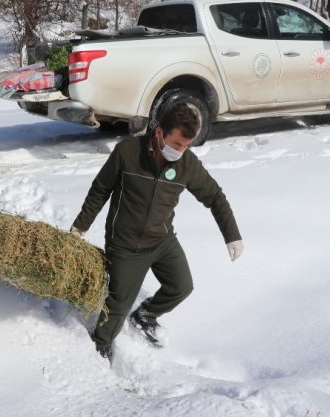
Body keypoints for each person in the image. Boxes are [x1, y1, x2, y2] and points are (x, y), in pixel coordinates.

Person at [71, 102, 243, 360]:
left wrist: (232, 235)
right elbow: (100, 189)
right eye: (176, 145)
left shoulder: (187, 164)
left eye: (186, 145)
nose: (181, 151)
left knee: (182, 287)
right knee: (117, 307)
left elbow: (215, 197)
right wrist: (80, 226)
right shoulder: (127, 152)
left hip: (162, 240)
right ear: (160, 132)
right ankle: (100, 348)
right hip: (125, 245)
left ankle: (145, 315)